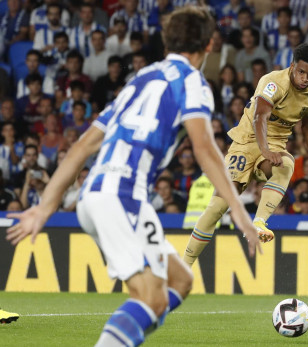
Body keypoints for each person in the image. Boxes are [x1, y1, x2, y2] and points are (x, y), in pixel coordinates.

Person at [6, 7, 261, 347]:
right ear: (209, 44)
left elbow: (83, 146)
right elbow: (204, 149)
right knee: (149, 298)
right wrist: (241, 214)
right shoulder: (192, 81)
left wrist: (44, 206)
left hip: (100, 195)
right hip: (121, 197)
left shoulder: (140, 79)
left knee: (180, 281)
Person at [183, 43, 308, 266]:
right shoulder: (272, 82)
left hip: (275, 142)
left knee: (286, 165)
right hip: (246, 140)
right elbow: (260, 117)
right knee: (217, 208)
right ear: (292, 66)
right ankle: (185, 264)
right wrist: (265, 151)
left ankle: (259, 222)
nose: (306, 79)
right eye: (301, 72)